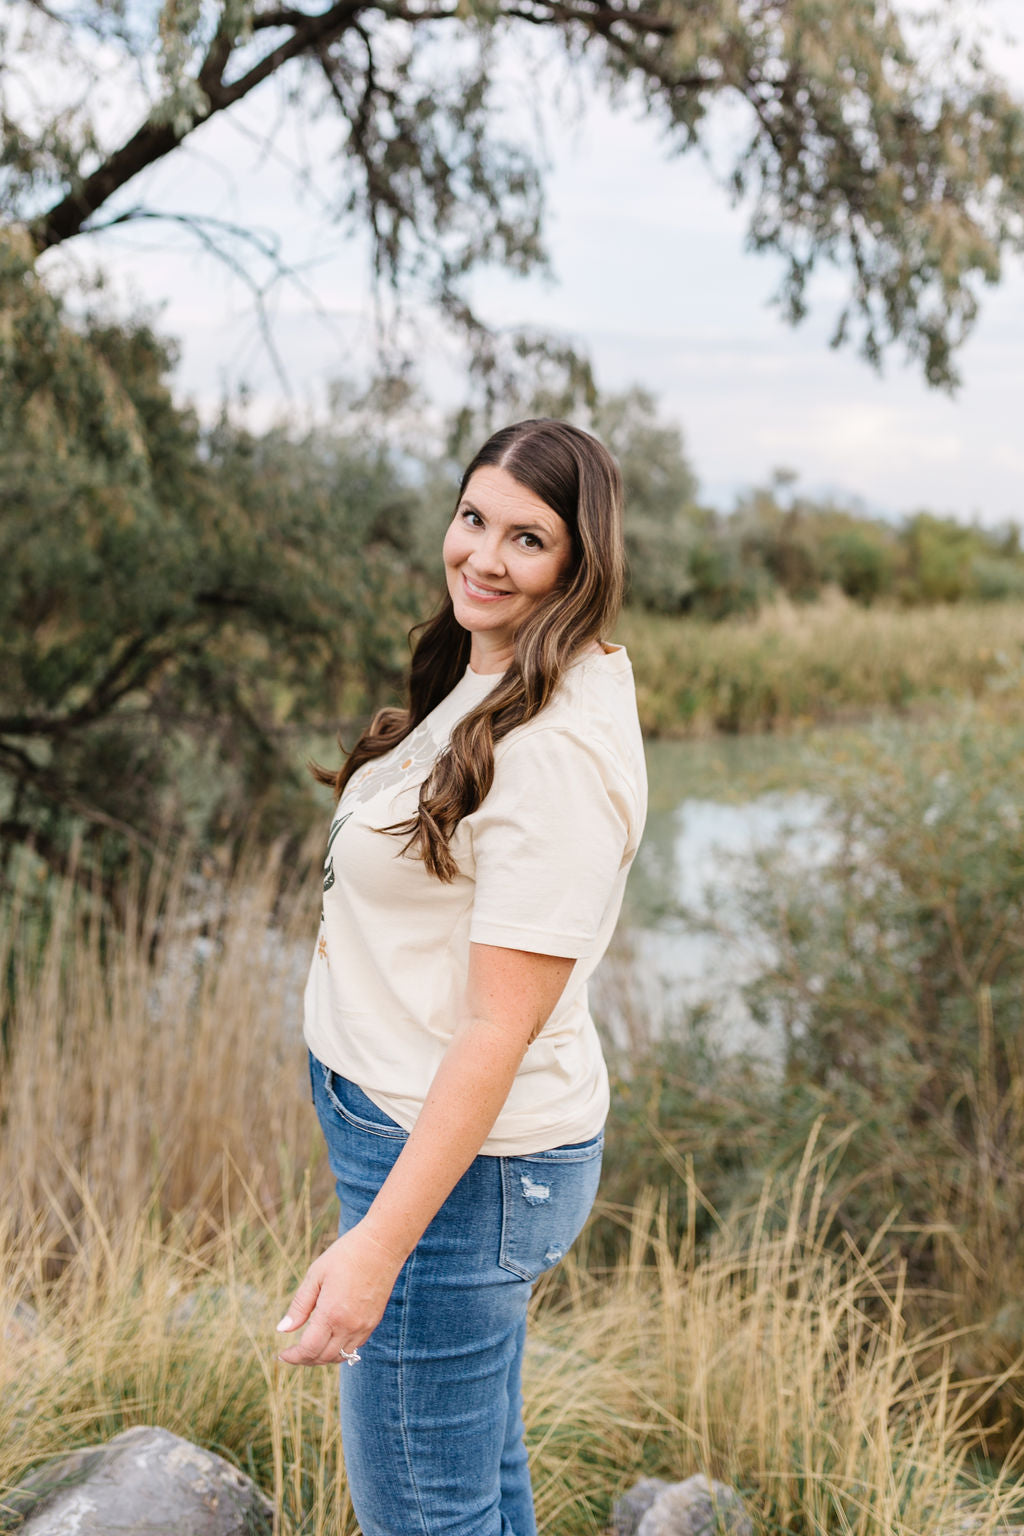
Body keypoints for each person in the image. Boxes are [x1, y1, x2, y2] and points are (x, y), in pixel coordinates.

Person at [275, 418, 647, 1536]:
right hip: (423, 1147)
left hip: (455, 1178)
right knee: (474, 1488)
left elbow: (498, 1029)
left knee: (422, 1517)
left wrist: (376, 1250)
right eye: (473, 518)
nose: (482, 557)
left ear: (580, 567)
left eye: (526, 540)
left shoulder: (555, 752)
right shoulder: (498, 673)